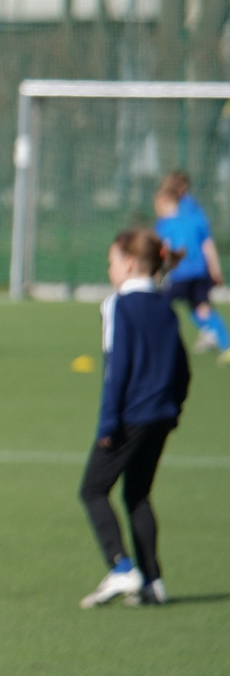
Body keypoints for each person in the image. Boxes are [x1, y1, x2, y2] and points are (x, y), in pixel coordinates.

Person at [81, 227, 191, 608]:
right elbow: (183, 370)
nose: (109, 268)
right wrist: (172, 410)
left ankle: (121, 567)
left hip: (129, 417)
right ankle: (153, 582)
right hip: (159, 417)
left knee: (93, 490)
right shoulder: (165, 306)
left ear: (129, 264)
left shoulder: (118, 305)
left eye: (111, 261)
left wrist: (108, 424)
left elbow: (118, 370)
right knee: (137, 494)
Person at [153, 171, 230, 358]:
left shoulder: (164, 225)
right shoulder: (195, 216)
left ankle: (158, 343)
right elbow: (208, 243)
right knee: (200, 306)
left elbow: (167, 252)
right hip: (201, 272)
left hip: (181, 274)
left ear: (164, 201)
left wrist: (158, 273)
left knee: (158, 304)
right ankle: (226, 345)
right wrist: (215, 269)